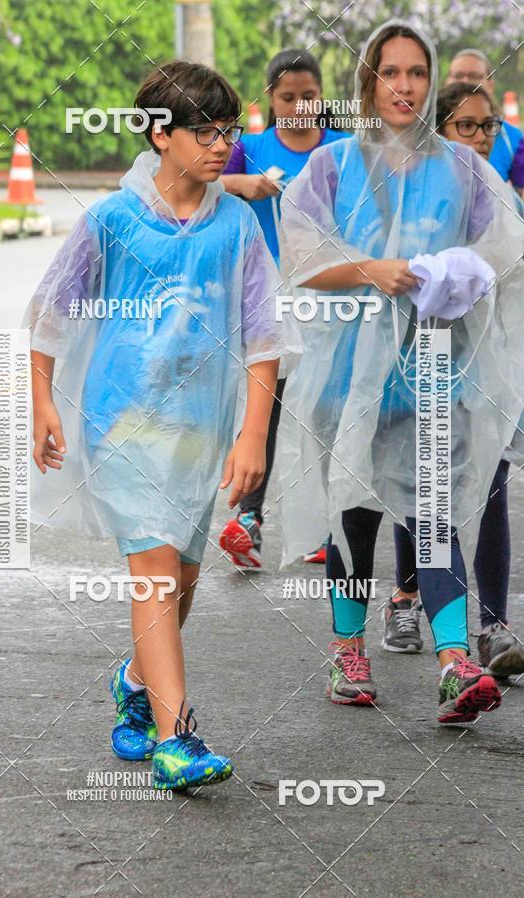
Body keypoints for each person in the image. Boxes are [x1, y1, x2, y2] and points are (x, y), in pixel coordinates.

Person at [26, 61, 299, 789]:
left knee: (180, 580)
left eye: (227, 131)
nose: (221, 146)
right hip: (121, 425)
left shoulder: (236, 225)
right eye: (205, 131)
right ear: (160, 134)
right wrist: (44, 402)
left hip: (198, 433)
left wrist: (250, 434)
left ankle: (138, 683)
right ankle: (179, 741)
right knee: (151, 571)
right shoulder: (112, 221)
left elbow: (265, 336)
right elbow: (50, 310)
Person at [278, 20, 524, 725]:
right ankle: (348, 651)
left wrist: (463, 271)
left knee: (436, 512)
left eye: (418, 73)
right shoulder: (331, 168)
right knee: (354, 512)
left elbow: (505, 248)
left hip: (434, 368)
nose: (405, 85)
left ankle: (452, 663)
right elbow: (299, 256)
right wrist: (371, 270)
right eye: (392, 72)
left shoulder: (465, 169)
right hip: (350, 374)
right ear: (369, 80)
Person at [387, 81, 524, 678]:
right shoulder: (414, 190)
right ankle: (406, 599)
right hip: (417, 352)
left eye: (488, 125)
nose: (481, 137)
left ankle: (493, 624)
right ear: (437, 131)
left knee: (491, 475)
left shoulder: (494, 190)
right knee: (419, 482)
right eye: (465, 126)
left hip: (479, 353)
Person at [218, 49, 348, 569]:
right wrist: (241, 185)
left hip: (335, 299)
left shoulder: (345, 149)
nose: (298, 105)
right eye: (287, 96)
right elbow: (197, 185)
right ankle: (249, 519)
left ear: (322, 98)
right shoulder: (248, 149)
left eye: (308, 96)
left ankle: (333, 524)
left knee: (328, 413)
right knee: (265, 408)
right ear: (270, 99)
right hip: (270, 300)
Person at [446, 48, 524, 196]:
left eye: (474, 76)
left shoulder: (513, 139)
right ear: (446, 81)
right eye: (458, 75)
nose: (465, 82)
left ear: (491, 85)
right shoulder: (425, 131)